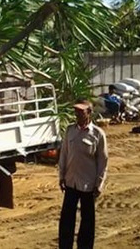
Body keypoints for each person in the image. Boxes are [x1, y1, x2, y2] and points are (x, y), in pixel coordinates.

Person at [58, 100, 108, 249]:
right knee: (67, 219)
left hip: (88, 184)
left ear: (89, 113)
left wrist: (99, 183)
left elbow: (103, 161)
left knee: (87, 220)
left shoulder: (98, 134)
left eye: (81, 111)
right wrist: (61, 176)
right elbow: (64, 155)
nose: (78, 114)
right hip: (71, 182)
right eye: (76, 111)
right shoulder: (70, 131)